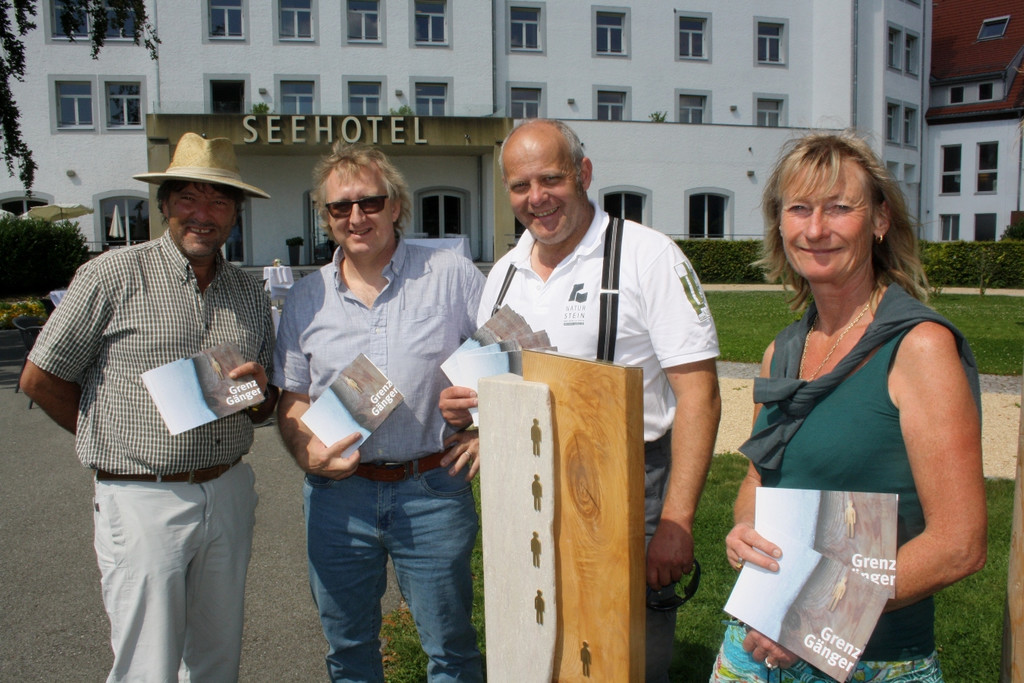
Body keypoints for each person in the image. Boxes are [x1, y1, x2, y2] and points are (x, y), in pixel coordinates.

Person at [440, 119, 721, 681]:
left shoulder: (648, 257)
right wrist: (472, 420)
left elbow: (700, 395)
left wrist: (676, 521)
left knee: (625, 655)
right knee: (540, 644)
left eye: (551, 179)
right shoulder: (502, 275)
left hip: (629, 485)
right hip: (527, 484)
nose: (536, 199)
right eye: (520, 186)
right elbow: (512, 389)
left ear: (583, 174)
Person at [712, 131, 987, 682]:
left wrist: (814, 616)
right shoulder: (780, 353)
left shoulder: (919, 349)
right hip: (752, 647)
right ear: (780, 224)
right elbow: (755, 481)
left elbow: (959, 544)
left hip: (872, 661)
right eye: (800, 209)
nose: (816, 229)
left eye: (840, 208)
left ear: (880, 220)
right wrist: (745, 528)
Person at [20, 132, 277, 681]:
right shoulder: (110, 276)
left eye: (219, 200)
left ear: (236, 214)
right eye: (188, 197)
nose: (202, 214)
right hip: (141, 496)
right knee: (147, 665)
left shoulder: (250, 292)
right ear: (163, 205)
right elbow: (40, 379)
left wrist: (259, 395)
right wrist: (109, 438)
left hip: (228, 488)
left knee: (216, 659)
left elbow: (263, 400)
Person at [274, 142, 485, 681]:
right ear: (324, 219)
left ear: (395, 206)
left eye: (369, 202)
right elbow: (293, 396)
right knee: (347, 648)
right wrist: (306, 451)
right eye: (339, 207)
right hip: (337, 500)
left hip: (432, 489)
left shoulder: (451, 275)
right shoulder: (304, 299)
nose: (355, 216)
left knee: (451, 648)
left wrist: (487, 431)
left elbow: (506, 357)